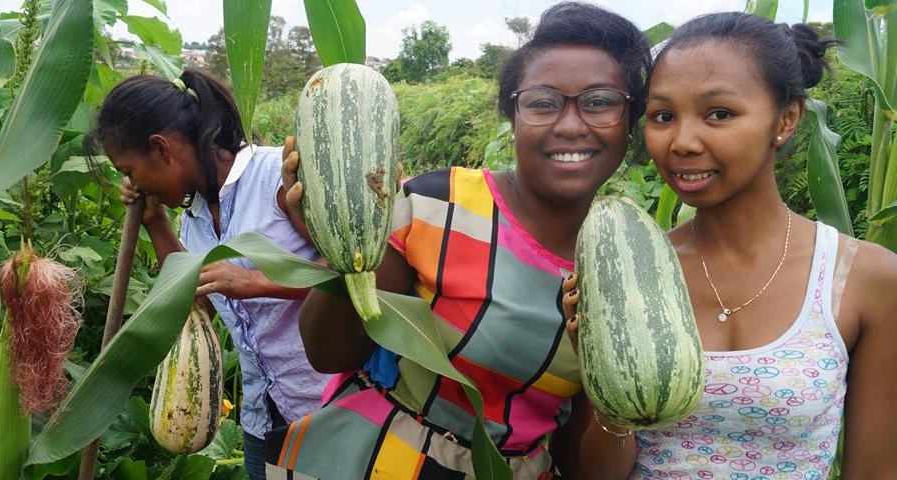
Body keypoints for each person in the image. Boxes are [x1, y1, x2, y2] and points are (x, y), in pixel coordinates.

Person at [263, 3, 653, 478]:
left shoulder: (625, 269)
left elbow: (579, 457)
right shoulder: (436, 203)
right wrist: (339, 233)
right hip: (372, 460)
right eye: (542, 102)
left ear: (632, 119)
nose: (570, 124)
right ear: (512, 116)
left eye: (599, 101)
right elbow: (330, 355)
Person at [563, 12, 897, 479]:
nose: (682, 141)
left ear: (786, 119)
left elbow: (875, 470)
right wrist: (605, 381)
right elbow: (599, 475)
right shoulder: (628, 271)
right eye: (663, 116)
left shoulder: (867, 278)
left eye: (719, 113)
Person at [84, 68, 331, 480]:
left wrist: (259, 283)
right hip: (261, 419)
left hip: (328, 406)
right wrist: (155, 222)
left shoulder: (279, 177)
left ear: (161, 148)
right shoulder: (193, 219)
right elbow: (199, 310)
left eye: (129, 170)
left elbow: (347, 271)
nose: (131, 183)